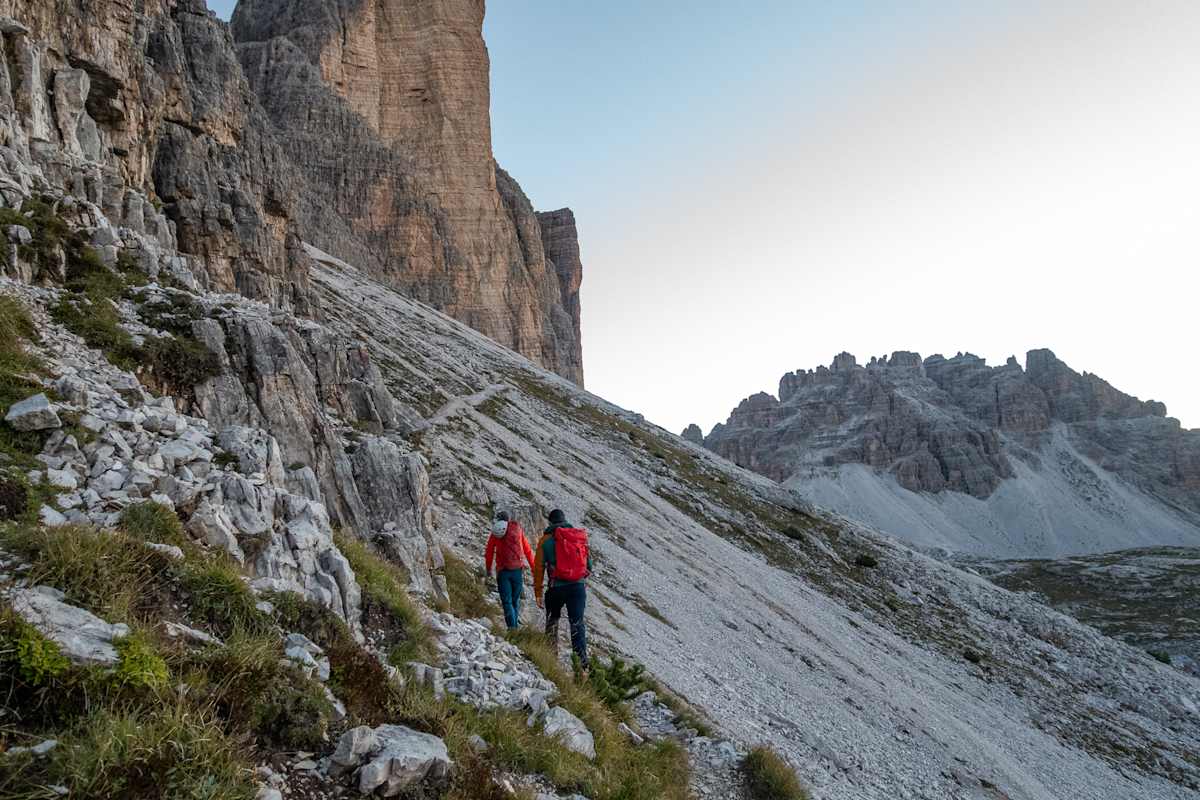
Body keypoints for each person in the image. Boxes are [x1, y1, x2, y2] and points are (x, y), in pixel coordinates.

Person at [533, 508, 591, 669]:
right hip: (577, 588)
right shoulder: (578, 537)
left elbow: (538, 568)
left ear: (550, 522)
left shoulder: (545, 541)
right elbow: (589, 565)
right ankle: (581, 666)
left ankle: (551, 660)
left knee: (552, 621)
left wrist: (538, 592)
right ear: (565, 520)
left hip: (556, 588)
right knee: (577, 624)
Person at [484, 511, 534, 630]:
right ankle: (514, 628)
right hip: (517, 570)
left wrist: (488, 569)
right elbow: (527, 550)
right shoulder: (517, 530)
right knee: (515, 601)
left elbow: (489, 552)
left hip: (503, 571)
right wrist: (533, 568)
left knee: (507, 601)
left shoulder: (496, 532)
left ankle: (512, 629)